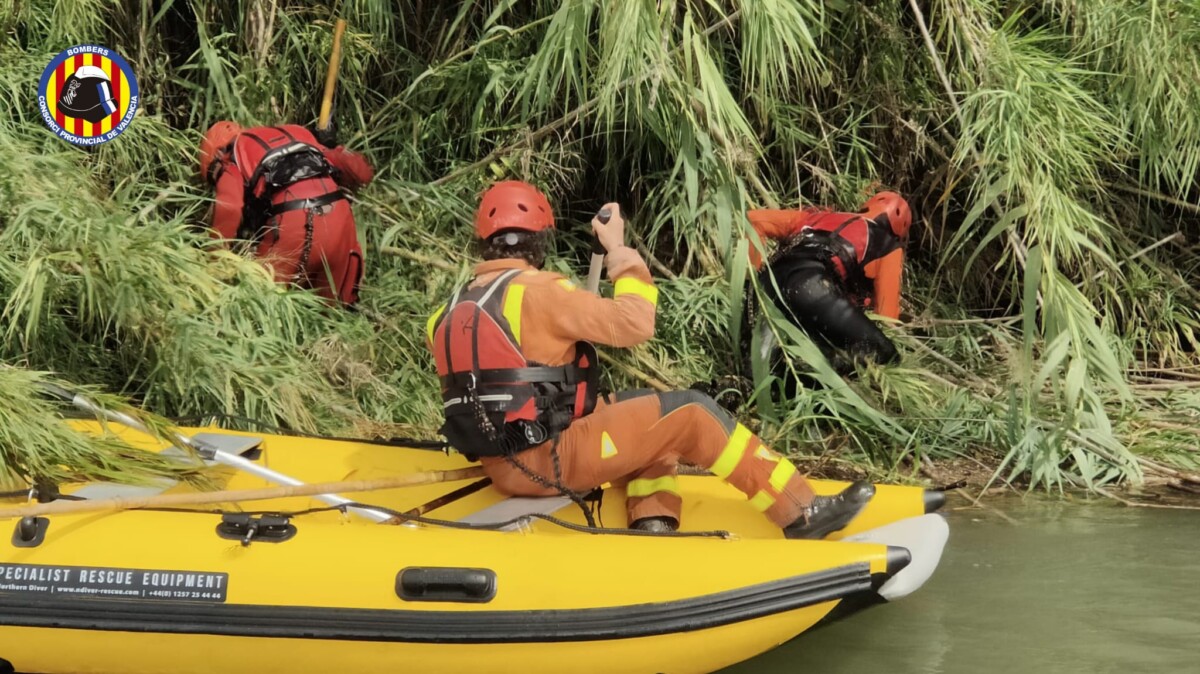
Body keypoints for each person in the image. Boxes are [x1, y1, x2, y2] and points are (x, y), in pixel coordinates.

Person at [425, 180, 875, 538]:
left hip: (504, 463)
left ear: (483, 242)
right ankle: (801, 512)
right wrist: (618, 250)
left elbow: (516, 378)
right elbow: (635, 323)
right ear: (541, 240)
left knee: (643, 406)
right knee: (693, 413)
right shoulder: (541, 292)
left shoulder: (449, 312)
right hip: (552, 462)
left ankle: (652, 521)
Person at [198, 122, 374, 304]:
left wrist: (214, 257)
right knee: (333, 313)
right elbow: (360, 171)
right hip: (340, 216)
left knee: (256, 304)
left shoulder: (232, 156)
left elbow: (230, 207)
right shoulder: (299, 133)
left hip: (293, 223)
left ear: (217, 154)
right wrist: (332, 147)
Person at [747, 191, 912, 367]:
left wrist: (750, 278)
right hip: (811, 287)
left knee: (760, 370)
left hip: (766, 285)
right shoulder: (887, 245)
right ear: (898, 233)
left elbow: (754, 219)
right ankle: (814, 369)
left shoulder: (818, 216)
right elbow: (888, 320)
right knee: (885, 354)